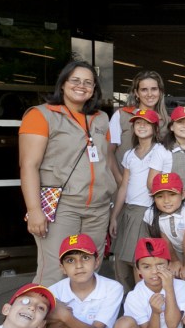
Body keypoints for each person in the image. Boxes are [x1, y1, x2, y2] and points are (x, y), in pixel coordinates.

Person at [19, 60, 116, 286]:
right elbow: (29, 166)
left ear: (94, 89)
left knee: (90, 270)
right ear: (63, 84)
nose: (81, 86)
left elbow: (107, 162)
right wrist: (34, 210)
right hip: (63, 206)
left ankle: (80, 321)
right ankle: (46, 321)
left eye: (88, 82)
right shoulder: (41, 115)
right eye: (75, 80)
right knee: (55, 271)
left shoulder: (101, 118)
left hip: (98, 208)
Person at [109, 108, 172, 290]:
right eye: (138, 123)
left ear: (155, 127)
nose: (141, 126)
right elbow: (123, 187)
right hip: (128, 210)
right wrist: (115, 216)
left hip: (146, 211)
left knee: (140, 261)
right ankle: (129, 301)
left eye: (146, 123)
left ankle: (144, 302)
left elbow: (153, 185)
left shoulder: (160, 151)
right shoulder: (129, 154)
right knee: (121, 260)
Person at [145, 172, 185, 283]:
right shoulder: (150, 214)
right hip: (177, 244)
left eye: (172, 194)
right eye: (160, 196)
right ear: (153, 198)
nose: (166, 201)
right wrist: (174, 261)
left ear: (183, 195)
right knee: (174, 273)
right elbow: (165, 241)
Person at [108, 70, 169, 184]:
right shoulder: (122, 115)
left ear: (160, 92)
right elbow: (109, 151)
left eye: (154, 89)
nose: (149, 94)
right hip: (125, 187)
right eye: (144, 89)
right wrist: (120, 180)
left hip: (157, 191)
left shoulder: (167, 122)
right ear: (136, 93)